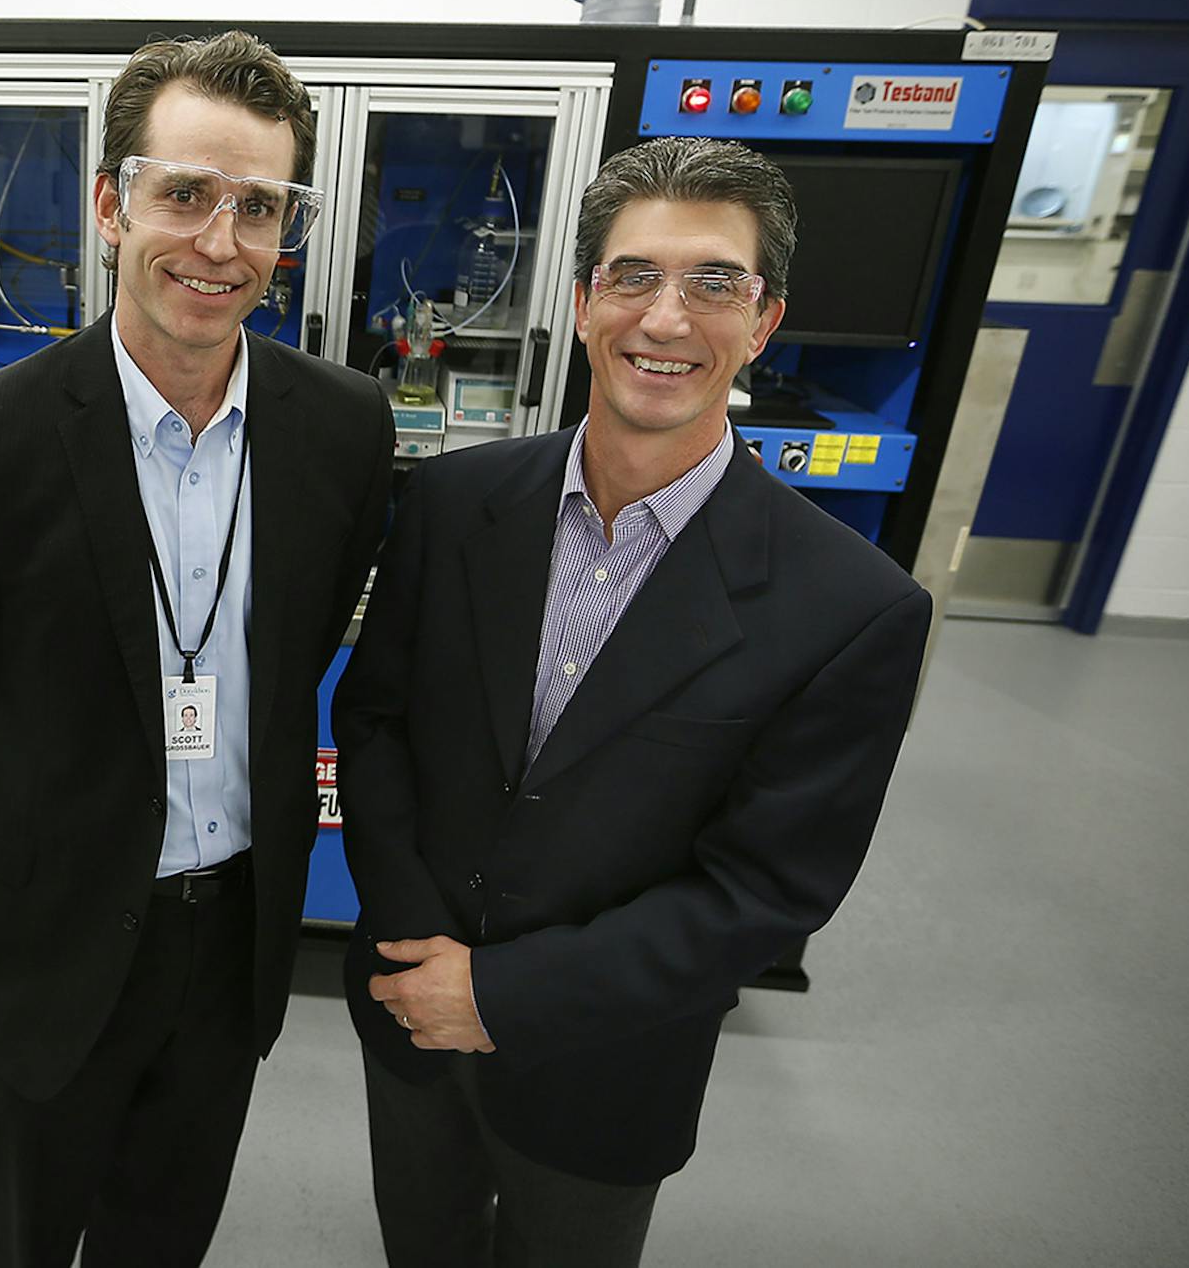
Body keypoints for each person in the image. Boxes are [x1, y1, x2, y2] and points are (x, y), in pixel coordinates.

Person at [334, 136, 933, 1267]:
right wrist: (419, 948)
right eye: (634, 275)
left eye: (715, 283)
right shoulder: (459, 501)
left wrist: (503, 992)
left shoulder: (852, 605)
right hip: (408, 1005)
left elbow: (768, 887)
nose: (667, 318)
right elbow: (375, 723)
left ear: (763, 322)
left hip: (604, 1067)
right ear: (580, 299)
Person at [0, 30, 394, 1268]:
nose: (219, 244)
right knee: (25, 1234)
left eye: (258, 206)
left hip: (231, 941)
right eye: (184, 193)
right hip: (51, 929)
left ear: (288, 232)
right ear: (114, 203)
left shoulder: (341, 428)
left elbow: (307, 644)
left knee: (165, 1234)